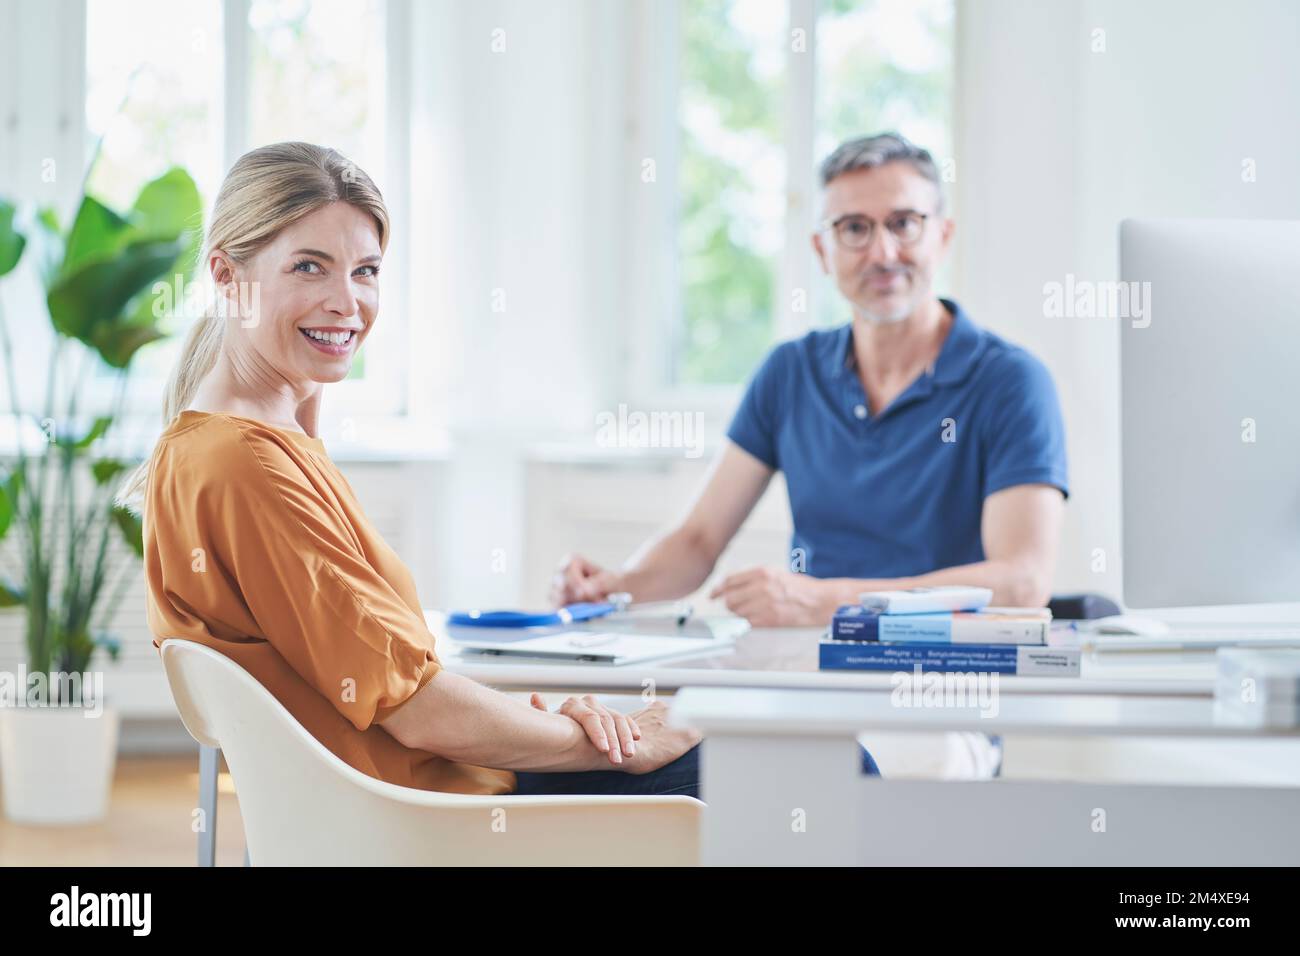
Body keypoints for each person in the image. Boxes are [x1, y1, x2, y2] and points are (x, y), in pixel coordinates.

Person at [127, 142, 700, 799]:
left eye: (365, 271)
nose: (348, 302)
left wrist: (567, 729)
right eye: (310, 267)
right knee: (771, 766)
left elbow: (386, 682)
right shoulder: (245, 464)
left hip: (412, 796)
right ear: (227, 278)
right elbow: (418, 712)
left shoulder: (232, 443)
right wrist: (620, 743)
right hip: (429, 815)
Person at [552, 133, 1070, 779]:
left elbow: (1022, 584)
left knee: (827, 779)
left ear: (942, 234)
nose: (883, 252)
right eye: (855, 228)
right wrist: (611, 588)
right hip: (799, 674)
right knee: (605, 751)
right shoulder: (791, 371)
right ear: (823, 250)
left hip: (937, 695)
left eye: (904, 224)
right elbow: (698, 539)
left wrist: (828, 602)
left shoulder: (1010, 381)